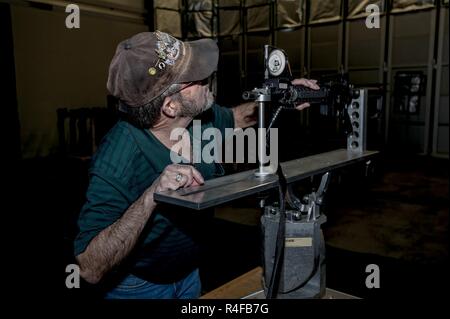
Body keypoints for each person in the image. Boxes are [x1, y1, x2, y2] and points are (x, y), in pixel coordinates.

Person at [74, 31, 319, 299]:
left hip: (190, 274)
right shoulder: (117, 159)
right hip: (139, 287)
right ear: (170, 106)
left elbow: (238, 117)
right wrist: (151, 196)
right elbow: (89, 268)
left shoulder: (199, 117)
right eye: (196, 78)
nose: (207, 79)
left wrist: (280, 98)